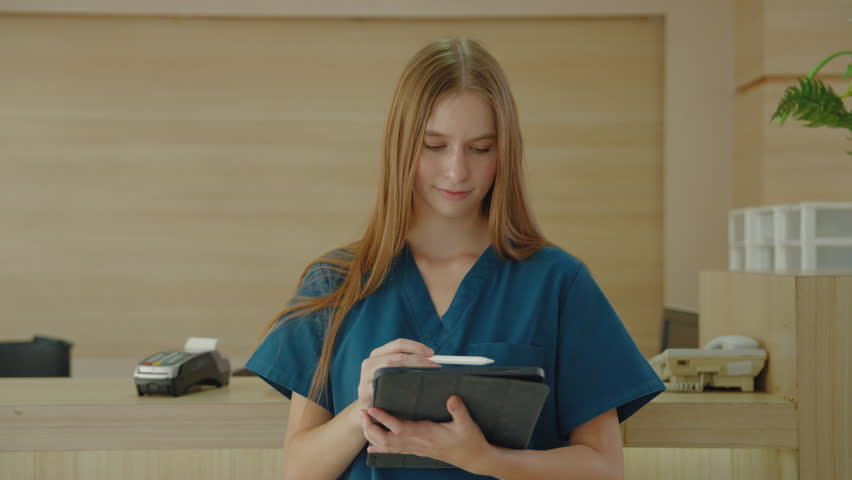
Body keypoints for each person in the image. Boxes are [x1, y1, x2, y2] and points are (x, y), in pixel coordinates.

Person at [246, 37, 665, 480]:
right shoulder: (336, 281)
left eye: (480, 149)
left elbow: (604, 467)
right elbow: (300, 469)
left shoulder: (559, 283)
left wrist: (486, 459)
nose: (457, 171)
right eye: (434, 145)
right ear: (401, 146)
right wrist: (360, 409)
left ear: (504, 152)